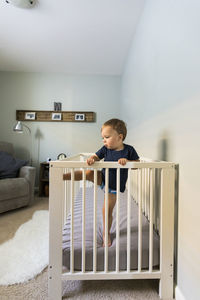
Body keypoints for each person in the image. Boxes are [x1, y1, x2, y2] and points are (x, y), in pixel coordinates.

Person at [63, 118, 139, 247]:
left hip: (114, 186)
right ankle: (63, 176)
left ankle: (106, 233)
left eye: (107, 137)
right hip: (103, 177)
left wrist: (127, 162)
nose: (104, 140)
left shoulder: (129, 150)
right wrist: (92, 159)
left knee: (107, 210)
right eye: (103, 137)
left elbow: (137, 164)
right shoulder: (105, 149)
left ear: (120, 137)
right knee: (87, 173)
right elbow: (95, 156)